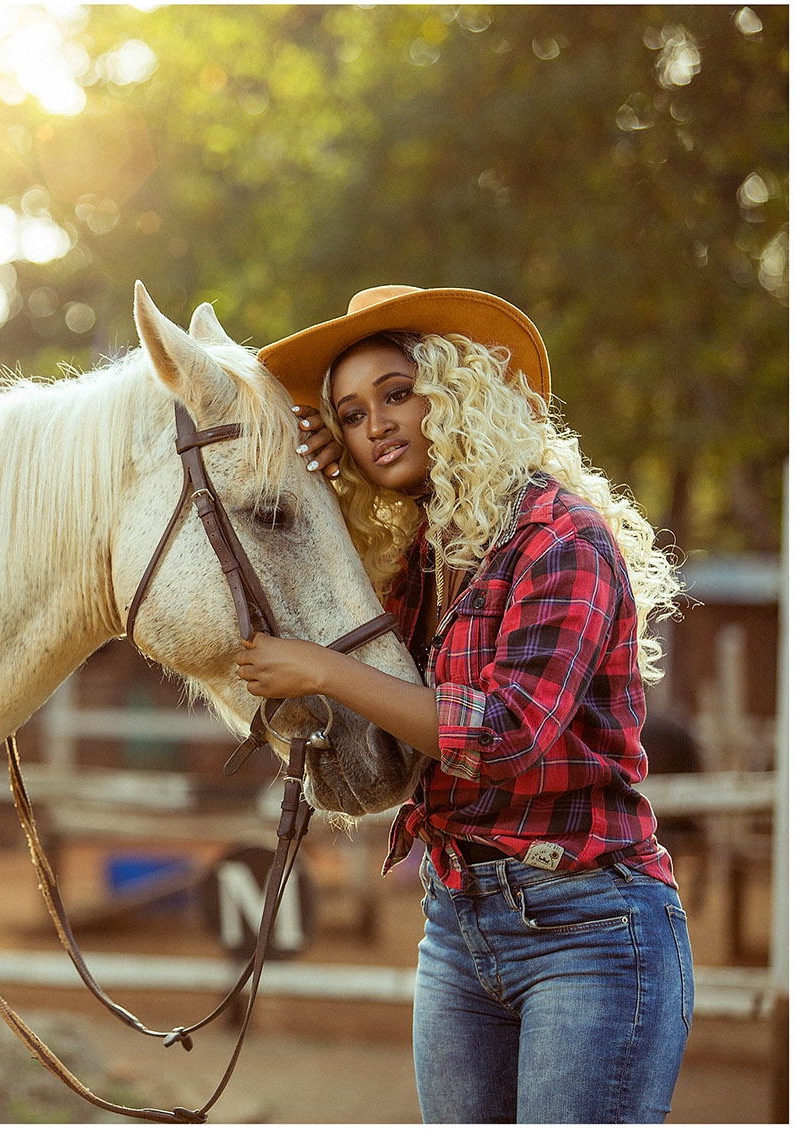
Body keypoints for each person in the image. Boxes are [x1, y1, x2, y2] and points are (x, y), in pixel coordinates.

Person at [242, 285, 693, 1123]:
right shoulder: (427, 558)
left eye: (398, 394)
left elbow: (504, 734)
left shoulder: (563, 540)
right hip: (457, 923)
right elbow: (368, 653)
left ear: (457, 393)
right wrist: (325, 487)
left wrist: (321, 673)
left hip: (589, 928)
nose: (375, 423)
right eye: (348, 414)